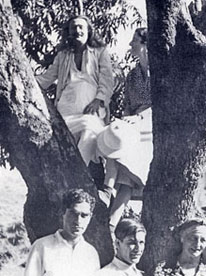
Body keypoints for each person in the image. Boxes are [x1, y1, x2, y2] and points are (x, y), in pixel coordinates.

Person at [36, 15, 114, 166]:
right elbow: (46, 79)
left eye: (81, 27)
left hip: (91, 110)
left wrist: (99, 99)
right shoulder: (63, 55)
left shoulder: (99, 51)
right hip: (66, 110)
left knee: (90, 130)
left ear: (89, 31)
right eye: (73, 28)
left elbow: (107, 79)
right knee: (64, 143)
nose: (77, 30)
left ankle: (79, 173)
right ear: (69, 32)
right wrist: (24, 77)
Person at [97, 28, 152, 231]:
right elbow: (128, 104)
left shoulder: (161, 73)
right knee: (115, 133)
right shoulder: (132, 75)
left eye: (134, 41)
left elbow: (164, 106)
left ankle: (107, 189)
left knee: (123, 147)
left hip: (152, 123)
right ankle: (110, 220)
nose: (131, 45)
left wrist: (140, 117)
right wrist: (127, 119)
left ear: (145, 44)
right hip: (135, 123)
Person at [24, 189, 99, 276]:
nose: (78, 221)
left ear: (90, 218)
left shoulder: (90, 253)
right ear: (62, 213)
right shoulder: (41, 247)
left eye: (84, 215)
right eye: (73, 214)